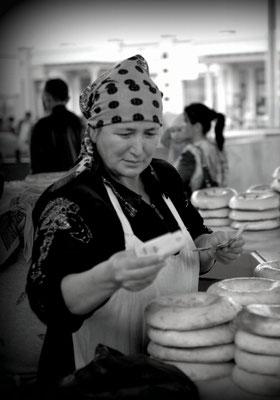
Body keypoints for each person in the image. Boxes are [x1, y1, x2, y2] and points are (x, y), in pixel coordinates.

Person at [26, 55, 244, 394]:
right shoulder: (71, 199)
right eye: (125, 132)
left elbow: (196, 241)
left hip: (170, 373)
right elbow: (47, 300)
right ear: (95, 131)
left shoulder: (164, 177)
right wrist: (109, 275)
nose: (138, 149)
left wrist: (213, 247)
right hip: (94, 379)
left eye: (150, 133)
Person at [30, 78, 83, 174]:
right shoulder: (77, 121)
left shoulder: (41, 125)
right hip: (77, 178)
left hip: (50, 181)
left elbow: (36, 162)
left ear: (47, 97)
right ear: (67, 98)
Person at [174, 103, 229, 197]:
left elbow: (173, 183)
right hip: (217, 199)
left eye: (186, 121)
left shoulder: (191, 153)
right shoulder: (215, 146)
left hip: (198, 205)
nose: (183, 125)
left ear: (197, 127)